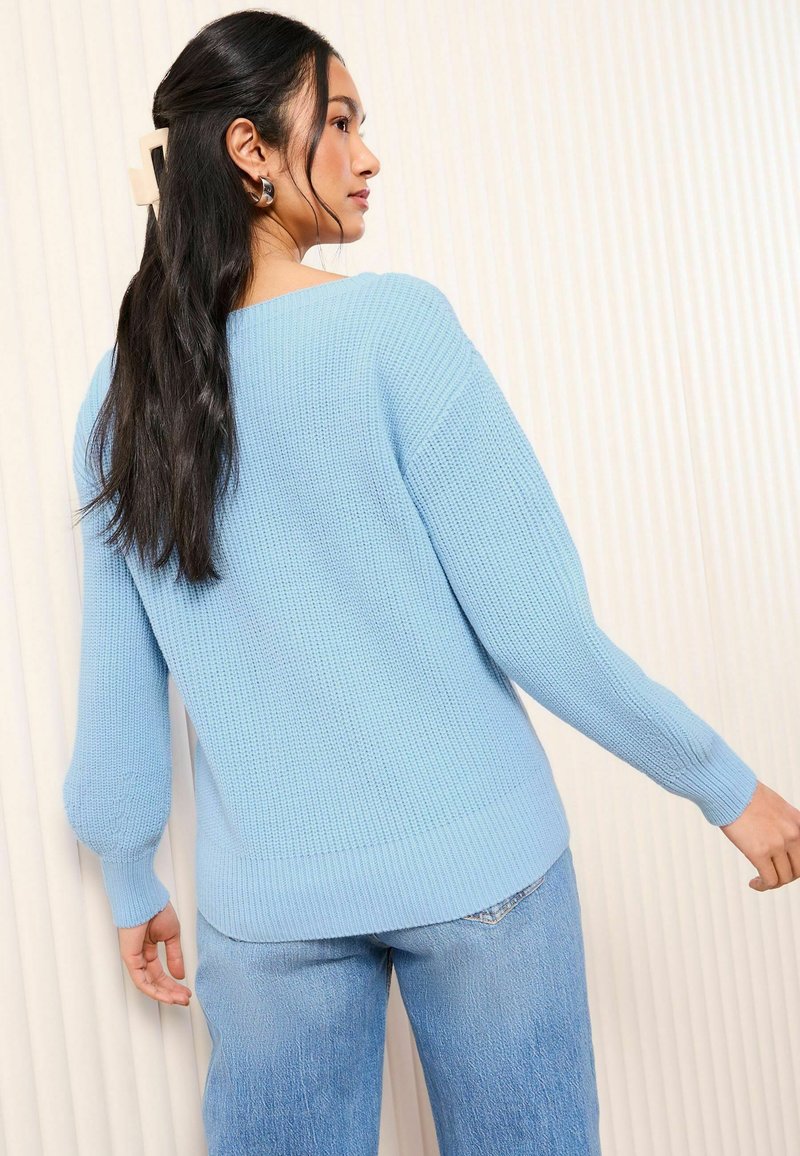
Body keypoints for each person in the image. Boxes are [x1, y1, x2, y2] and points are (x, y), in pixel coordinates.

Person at [62, 10, 799, 1155]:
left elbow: (119, 686)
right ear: (250, 149)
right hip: (481, 872)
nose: (368, 156)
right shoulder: (393, 330)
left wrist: (125, 871)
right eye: (341, 122)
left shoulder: (122, 393)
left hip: (269, 912)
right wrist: (722, 784)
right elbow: (537, 624)